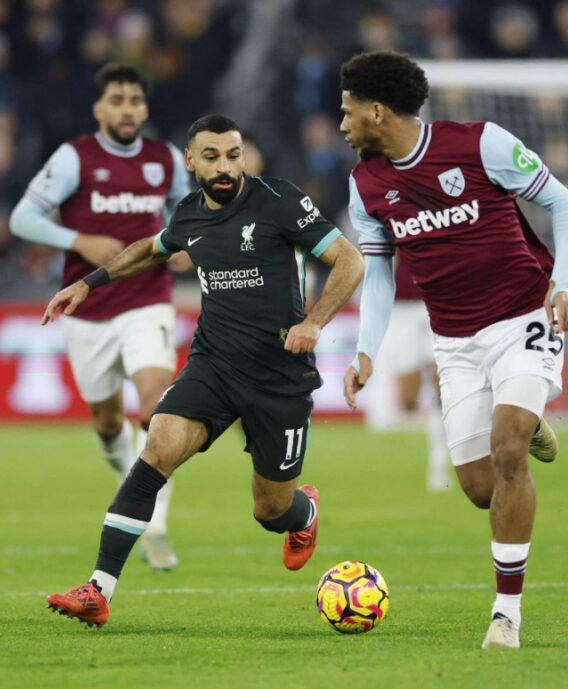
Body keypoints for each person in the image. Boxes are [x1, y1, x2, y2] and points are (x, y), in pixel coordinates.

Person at [42, 114, 364, 627]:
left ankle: (304, 513)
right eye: (211, 156)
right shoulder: (189, 215)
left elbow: (350, 261)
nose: (225, 166)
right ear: (190, 162)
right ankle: (98, 589)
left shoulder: (278, 200)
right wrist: (89, 283)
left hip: (280, 376)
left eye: (233, 155)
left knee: (270, 511)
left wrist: (315, 322)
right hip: (212, 364)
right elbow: (152, 250)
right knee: (157, 448)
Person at [338, 52, 568, 649]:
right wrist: (366, 351)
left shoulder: (480, 144)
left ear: (375, 110)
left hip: (523, 316)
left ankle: (506, 615)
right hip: (454, 340)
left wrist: (563, 283)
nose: (340, 124)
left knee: (507, 450)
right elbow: (377, 272)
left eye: (345, 111)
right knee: (478, 487)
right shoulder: (365, 183)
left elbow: (563, 203)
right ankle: (533, 428)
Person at [10, 64, 190, 570]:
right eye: (118, 99)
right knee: (107, 420)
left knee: (156, 408)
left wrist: (184, 244)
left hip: (148, 300)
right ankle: (130, 483)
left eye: (135, 99)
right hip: (86, 309)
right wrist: (78, 240)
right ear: (100, 109)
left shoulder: (166, 160)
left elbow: (187, 213)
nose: (128, 108)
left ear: (145, 108)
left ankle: (153, 524)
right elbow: (20, 217)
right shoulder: (75, 158)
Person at [360, 259, 451, 492]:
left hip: (438, 302)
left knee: (444, 384)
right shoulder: (387, 222)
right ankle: (435, 457)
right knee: (409, 399)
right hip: (400, 310)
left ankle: (439, 465)